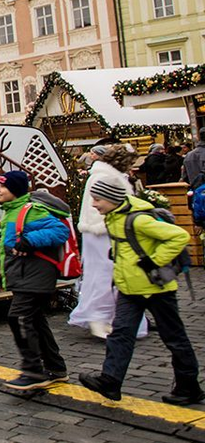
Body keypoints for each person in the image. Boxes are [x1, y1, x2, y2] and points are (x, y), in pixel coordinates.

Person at [79, 176, 203, 405]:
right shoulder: (113, 217)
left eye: (97, 199)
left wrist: (154, 260)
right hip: (129, 288)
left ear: (112, 199)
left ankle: (189, 386)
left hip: (156, 288)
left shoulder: (137, 219)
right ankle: (110, 381)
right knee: (120, 334)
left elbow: (179, 236)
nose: (94, 204)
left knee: (174, 338)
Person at [0, 171, 70, 391]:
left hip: (34, 275)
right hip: (23, 274)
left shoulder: (31, 210)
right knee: (36, 320)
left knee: (18, 318)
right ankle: (56, 368)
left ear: (15, 190)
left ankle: (33, 370)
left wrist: (29, 240)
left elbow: (59, 231)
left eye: (2, 186)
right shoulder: (12, 211)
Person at [70, 145, 148, 340]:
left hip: (100, 230)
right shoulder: (106, 177)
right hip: (103, 231)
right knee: (105, 273)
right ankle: (101, 318)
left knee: (105, 273)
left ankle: (111, 317)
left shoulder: (103, 174)